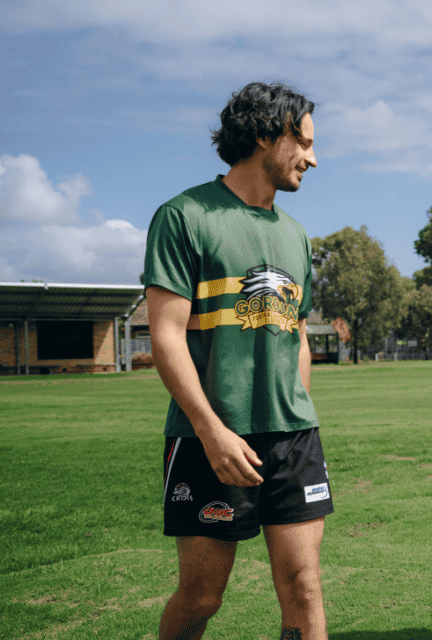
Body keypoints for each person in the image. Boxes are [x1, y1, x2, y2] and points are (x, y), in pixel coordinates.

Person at [145, 82, 331, 640]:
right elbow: (166, 337)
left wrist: (297, 409)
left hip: (292, 438)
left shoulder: (296, 237)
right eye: (302, 141)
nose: (313, 158)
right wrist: (211, 431)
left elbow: (296, 336)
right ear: (264, 135)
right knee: (202, 597)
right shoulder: (185, 216)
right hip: (210, 436)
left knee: (304, 586)